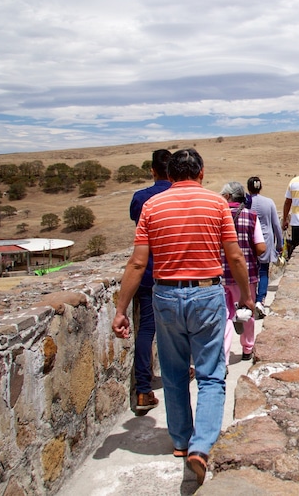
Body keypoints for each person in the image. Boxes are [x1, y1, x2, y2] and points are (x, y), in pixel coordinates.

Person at [111, 148, 254, 486]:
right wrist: (247, 296)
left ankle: (180, 441)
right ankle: (201, 447)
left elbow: (136, 263)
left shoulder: (151, 206)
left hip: (165, 295)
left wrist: (120, 309)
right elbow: (233, 256)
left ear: (169, 175)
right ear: (201, 174)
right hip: (206, 294)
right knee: (211, 373)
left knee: (175, 372)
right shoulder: (217, 205)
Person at [127, 148, 172, 415]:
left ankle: (143, 390)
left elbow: (140, 226)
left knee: (146, 330)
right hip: (176, 273)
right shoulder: (179, 197)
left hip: (147, 273)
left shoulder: (141, 198)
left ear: (153, 170)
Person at [220, 182, 265, 362]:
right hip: (246, 275)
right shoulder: (251, 216)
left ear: (228, 196)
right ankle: (248, 347)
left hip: (221, 274)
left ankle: (222, 355)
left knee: (223, 316)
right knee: (247, 310)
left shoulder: (217, 216)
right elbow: (261, 247)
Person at [247, 176, 282, 318]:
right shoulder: (269, 202)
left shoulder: (246, 202)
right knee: (263, 271)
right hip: (266, 240)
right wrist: (280, 244)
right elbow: (276, 225)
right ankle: (260, 300)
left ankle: (250, 298)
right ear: (260, 187)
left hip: (249, 240)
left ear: (248, 188)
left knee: (250, 272)